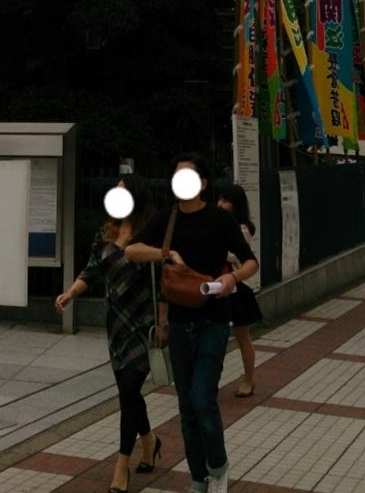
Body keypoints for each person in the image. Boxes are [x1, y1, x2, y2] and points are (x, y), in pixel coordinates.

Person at [126, 153, 258, 493]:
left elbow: (250, 262)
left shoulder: (220, 219)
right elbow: (131, 250)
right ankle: (198, 478)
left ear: (202, 183)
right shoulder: (166, 220)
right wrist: (165, 253)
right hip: (179, 324)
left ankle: (218, 468)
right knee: (186, 408)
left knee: (202, 399)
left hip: (214, 320)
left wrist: (232, 279)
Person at [55, 173, 163, 493]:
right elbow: (92, 270)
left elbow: (162, 282)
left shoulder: (149, 235)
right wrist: (70, 293)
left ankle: (121, 465)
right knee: (129, 395)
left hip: (142, 326)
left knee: (128, 392)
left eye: (122, 191)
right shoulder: (106, 233)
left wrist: (163, 324)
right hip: (116, 327)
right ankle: (150, 441)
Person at [217, 182, 261, 399]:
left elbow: (235, 254)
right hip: (219, 286)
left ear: (236, 205)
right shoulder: (218, 224)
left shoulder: (242, 228)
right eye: (219, 199)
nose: (220, 204)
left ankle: (249, 380)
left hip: (238, 287)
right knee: (216, 336)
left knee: (242, 336)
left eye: (225, 201)